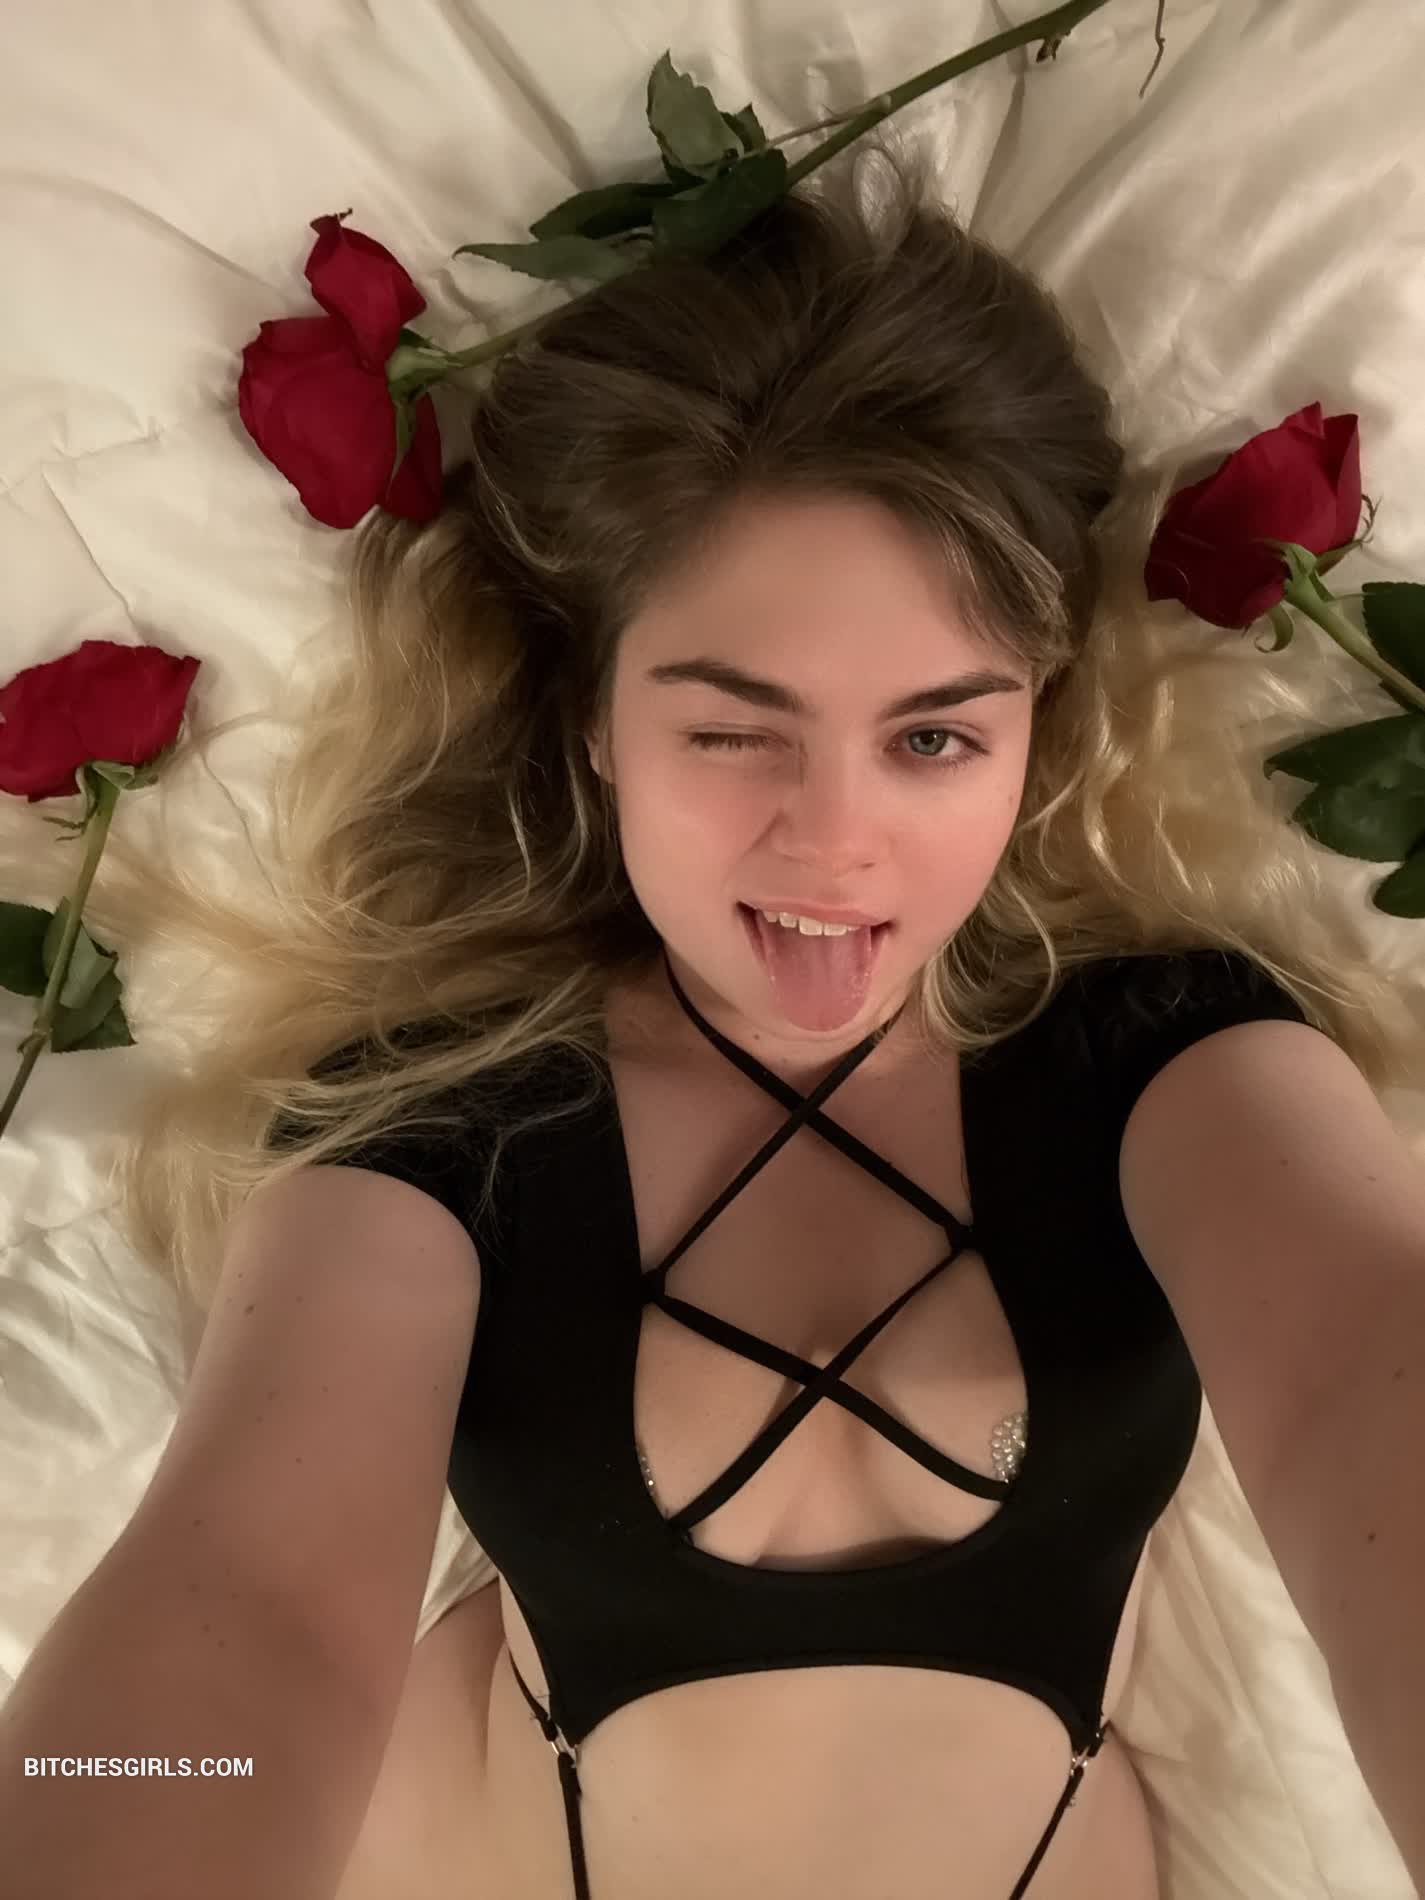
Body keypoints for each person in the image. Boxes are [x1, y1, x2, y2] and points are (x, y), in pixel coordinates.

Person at [0, 131, 1412, 1900]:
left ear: (1033, 726)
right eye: (732, 729)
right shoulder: (440, 1134)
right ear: (590, 720)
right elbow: (248, 1609)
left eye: (933, 735)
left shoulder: (1172, 1066)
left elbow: (1374, 1386)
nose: (835, 841)